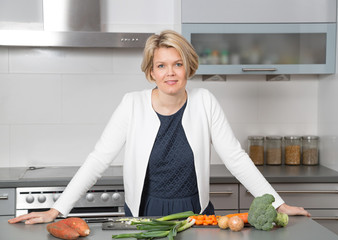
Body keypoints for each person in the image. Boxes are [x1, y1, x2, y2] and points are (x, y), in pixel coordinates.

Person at [9, 30, 310, 225]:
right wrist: (57, 209)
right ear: (151, 71)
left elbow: (235, 158)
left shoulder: (205, 101)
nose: (170, 73)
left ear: (188, 67)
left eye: (177, 64)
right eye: (162, 65)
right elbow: (99, 159)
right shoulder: (132, 104)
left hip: (196, 213)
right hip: (145, 213)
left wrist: (278, 203)